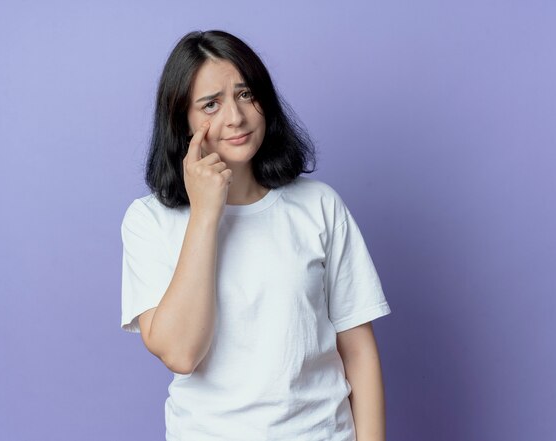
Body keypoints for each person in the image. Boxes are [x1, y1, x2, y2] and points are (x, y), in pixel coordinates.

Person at [120, 29, 392, 441]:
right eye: (211, 104)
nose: (235, 116)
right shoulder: (148, 221)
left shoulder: (318, 205)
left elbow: (358, 350)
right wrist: (206, 214)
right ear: (182, 121)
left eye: (246, 94)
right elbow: (180, 352)